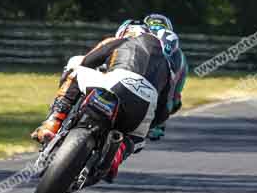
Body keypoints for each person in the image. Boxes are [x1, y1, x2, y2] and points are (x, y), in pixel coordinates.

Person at [31, 20, 172, 182]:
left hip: (116, 83)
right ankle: (116, 156)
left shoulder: (122, 40)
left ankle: (53, 121)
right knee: (137, 138)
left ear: (125, 31)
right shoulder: (165, 65)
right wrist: (148, 126)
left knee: (77, 71)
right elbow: (163, 112)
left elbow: (87, 62)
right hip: (146, 102)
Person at [142, 14, 188, 140]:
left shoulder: (135, 39)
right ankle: (157, 126)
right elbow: (177, 88)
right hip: (160, 93)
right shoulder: (179, 54)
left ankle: (156, 124)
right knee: (174, 98)